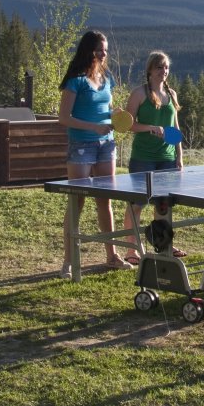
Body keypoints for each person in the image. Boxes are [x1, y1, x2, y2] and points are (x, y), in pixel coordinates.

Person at [57, 30, 132, 278]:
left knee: (105, 201)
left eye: (106, 50)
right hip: (81, 145)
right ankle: (69, 261)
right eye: (100, 49)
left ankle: (111, 256)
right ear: (88, 50)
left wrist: (115, 115)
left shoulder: (106, 77)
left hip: (106, 144)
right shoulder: (75, 80)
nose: (103, 54)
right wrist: (93, 127)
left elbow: (107, 109)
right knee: (76, 201)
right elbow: (64, 118)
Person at [121, 50, 187, 264]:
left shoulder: (172, 94)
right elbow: (128, 125)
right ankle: (132, 250)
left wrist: (179, 156)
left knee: (163, 205)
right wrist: (150, 127)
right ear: (150, 69)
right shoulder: (139, 94)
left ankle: (164, 245)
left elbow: (175, 129)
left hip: (166, 158)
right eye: (159, 67)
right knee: (137, 205)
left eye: (166, 67)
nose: (163, 71)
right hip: (143, 158)